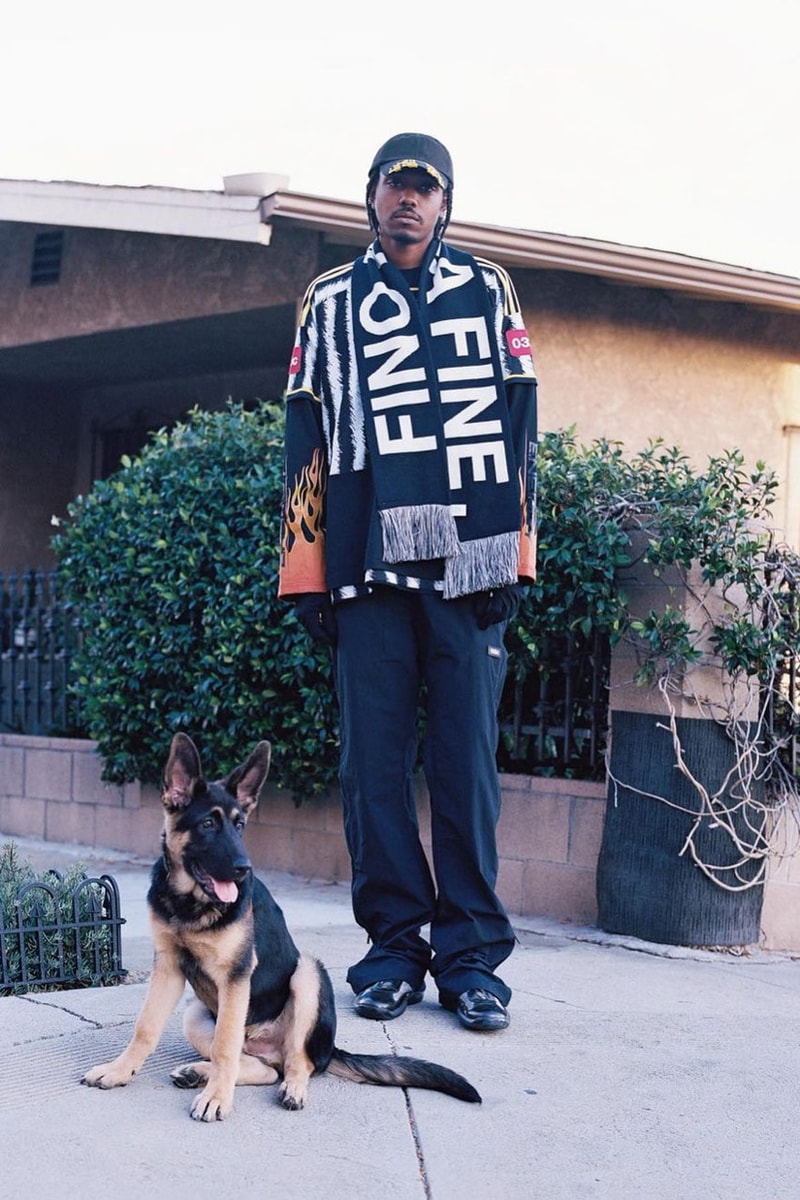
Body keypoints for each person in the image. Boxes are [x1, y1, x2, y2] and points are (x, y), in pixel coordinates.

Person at [278, 132, 537, 1032]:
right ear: (372, 196)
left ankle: (471, 961)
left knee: (465, 768)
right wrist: (306, 574)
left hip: (467, 565)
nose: (410, 202)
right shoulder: (328, 301)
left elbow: (519, 423)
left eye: (426, 189)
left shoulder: (487, 287)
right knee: (373, 770)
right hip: (364, 568)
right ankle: (393, 948)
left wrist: (514, 555)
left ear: (446, 202)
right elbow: (303, 435)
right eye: (397, 185)